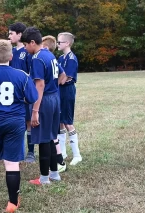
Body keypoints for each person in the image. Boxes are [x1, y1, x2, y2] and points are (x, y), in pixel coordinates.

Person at [0, 39, 38, 213]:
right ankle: (12, 203)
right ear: (11, 56)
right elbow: (32, 98)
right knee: (11, 164)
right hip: (15, 122)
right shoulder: (22, 76)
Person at [21, 27, 61, 185]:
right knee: (51, 137)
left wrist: (35, 111)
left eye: (25, 44)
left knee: (44, 139)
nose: (25, 48)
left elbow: (40, 85)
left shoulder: (37, 58)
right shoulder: (49, 53)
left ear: (32, 42)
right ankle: (54, 173)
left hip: (44, 101)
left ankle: (44, 178)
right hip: (54, 98)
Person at [8, 22, 35, 163]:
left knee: (28, 121)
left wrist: (27, 92)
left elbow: (31, 73)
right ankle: (16, 151)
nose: (9, 36)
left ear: (19, 34)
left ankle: (31, 152)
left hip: (23, 93)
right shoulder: (10, 51)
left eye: (11, 33)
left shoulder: (27, 52)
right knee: (16, 122)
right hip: (11, 94)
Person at [42, 35, 67, 172]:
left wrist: (51, 86)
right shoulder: (54, 60)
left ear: (45, 47)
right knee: (53, 133)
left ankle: (60, 161)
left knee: (51, 134)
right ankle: (59, 161)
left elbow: (63, 77)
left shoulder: (45, 60)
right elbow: (63, 75)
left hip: (48, 99)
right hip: (55, 98)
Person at [57, 32, 82, 166]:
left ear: (67, 43)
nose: (57, 44)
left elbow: (66, 78)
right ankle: (62, 152)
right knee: (60, 122)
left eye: (59, 42)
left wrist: (59, 81)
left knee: (67, 122)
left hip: (67, 91)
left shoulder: (71, 58)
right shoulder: (61, 58)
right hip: (59, 92)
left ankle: (77, 154)